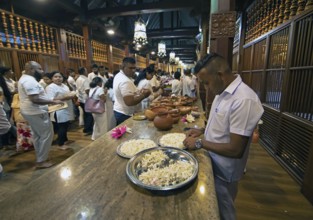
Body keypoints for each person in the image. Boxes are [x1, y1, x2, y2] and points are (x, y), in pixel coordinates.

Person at [183, 53, 264, 220]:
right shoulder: (222, 92)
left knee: (223, 211)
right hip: (213, 162)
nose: (206, 88)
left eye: (206, 82)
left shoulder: (243, 99)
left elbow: (236, 149)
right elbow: (221, 126)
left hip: (224, 171)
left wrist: (199, 143)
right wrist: (202, 131)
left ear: (219, 75)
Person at [18, 61, 63, 168]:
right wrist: (53, 102)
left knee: (38, 135)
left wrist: (50, 99)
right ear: (32, 69)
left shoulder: (25, 78)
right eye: (40, 69)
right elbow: (35, 99)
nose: (42, 71)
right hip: (35, 111)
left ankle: (41, 157)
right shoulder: (29, 81)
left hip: (31, 111)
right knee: (46, 135)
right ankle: (41, 161)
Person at [113, 57, 151, 125]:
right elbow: (129, 102)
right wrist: (144, 95)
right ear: (122, 67)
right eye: (130, 68)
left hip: (120, 111)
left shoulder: (119, 75)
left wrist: (138, 92)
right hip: (125, 114)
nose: (133, 70)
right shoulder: (125, 80)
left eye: (134, 68)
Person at [45, 71, 75, 150]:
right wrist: (65, 97)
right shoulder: (50, 87)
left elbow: (68, 94)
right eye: (56, 77)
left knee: (66, 124)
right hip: (58, 109)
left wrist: (71, 95)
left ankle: (65, 140)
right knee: (61, 126)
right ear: (52, 78)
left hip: (67, 107)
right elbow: (50, 99)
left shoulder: (64, 86)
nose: (58, 78)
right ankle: (60, 144)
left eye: (60, 77)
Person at [75, 67, 93, 135]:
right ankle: (88, 129)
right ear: (84, 72)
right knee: (89, 115)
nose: (87, 71)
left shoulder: (78, 79)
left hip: (81, 99)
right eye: (86, 70)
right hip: (86, 99)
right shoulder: (85, 79)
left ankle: (86, 128)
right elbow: (87, 90)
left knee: (85, 115)